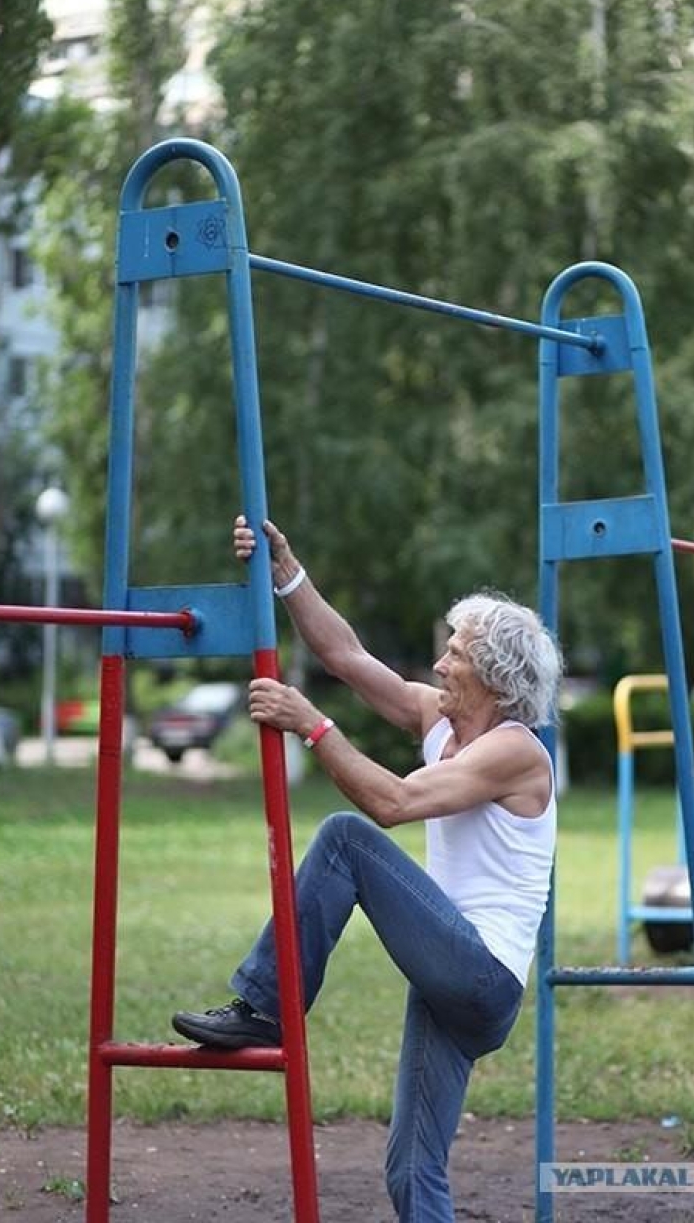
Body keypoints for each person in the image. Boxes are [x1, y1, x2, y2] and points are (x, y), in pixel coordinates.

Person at [172, 515, 563, 1223]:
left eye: (455, 653)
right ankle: (268, 1009)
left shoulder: (515, 751)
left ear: (494, 676)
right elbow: (344, 655)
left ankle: (266, 1008)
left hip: (481, 973)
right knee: (411, 1170)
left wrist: (311, 725)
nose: (438, 665)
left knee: (346, 839)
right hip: (449, 971)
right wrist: (286, 571)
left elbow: (393, 803)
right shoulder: (440, 721)